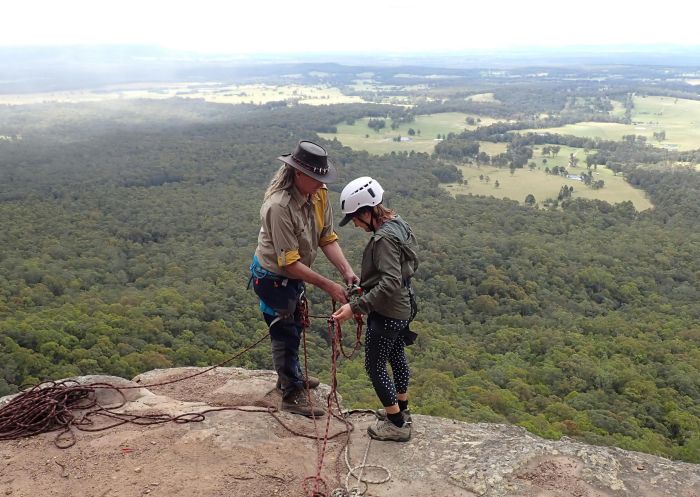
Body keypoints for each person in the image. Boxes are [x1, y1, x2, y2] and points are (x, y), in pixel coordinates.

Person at [250, 140, 358, 417]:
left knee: (295, 325)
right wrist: (329, 285)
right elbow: (289, 262)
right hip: (273, 276)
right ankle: (291, 393)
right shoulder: (279, 206)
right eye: (317, 179)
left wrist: (346, 271)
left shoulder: (318, 195)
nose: (323, 185)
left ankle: (291, 376)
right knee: (285, 329)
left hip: (294, 272)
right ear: (299, 174)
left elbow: (326, 238)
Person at [332, 177, 418, 442]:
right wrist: (364, 288)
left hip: (388, 310)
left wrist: (355, 306)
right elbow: (394, 277)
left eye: (356, 219)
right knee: (396, 357)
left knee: (375, 365)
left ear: (367, 212)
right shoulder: (398, 223)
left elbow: (389, 282)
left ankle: (395, 424)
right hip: (403, 306)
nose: (356, 225)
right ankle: (401, 410)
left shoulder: (383, 239)